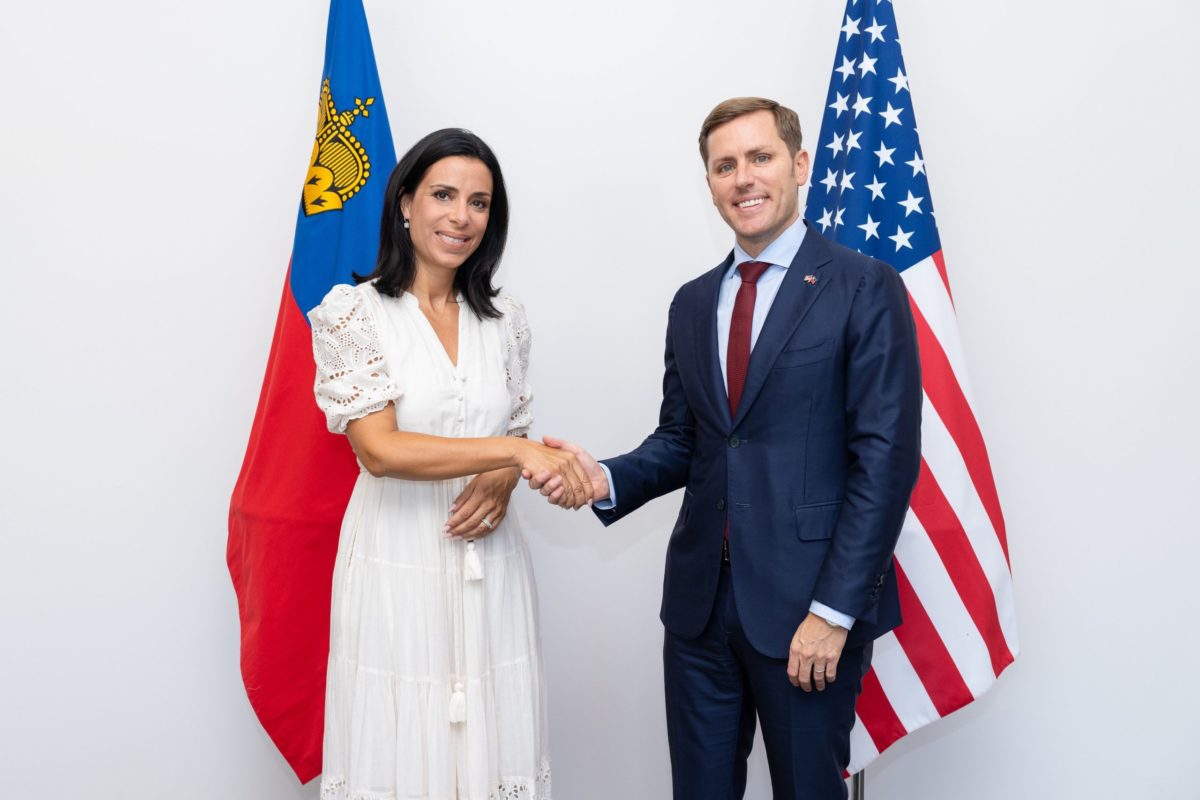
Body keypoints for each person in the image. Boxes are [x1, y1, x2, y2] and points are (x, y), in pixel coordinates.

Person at [532, 98, 922, 799]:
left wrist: (833, 614)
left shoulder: (863, 286)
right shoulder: (691, 303)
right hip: (699, 615)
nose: (743, 178)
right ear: (710, 182)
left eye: (760, 157)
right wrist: (604, 478)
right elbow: (687, 440)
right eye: (724, 165)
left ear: (799, 165)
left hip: (808, 613)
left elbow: (885, 464)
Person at [308, 128, 588, 800]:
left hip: (491, 564)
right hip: (394, 559)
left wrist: (506, 471)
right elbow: (380, 450)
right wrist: (512, 453)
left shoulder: (506, 319)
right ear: (405, 202)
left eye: (479, 202)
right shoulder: (352, 313)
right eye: (443, 195)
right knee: (404, 740)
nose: (461, 216)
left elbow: (512, 427)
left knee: (493, 738)